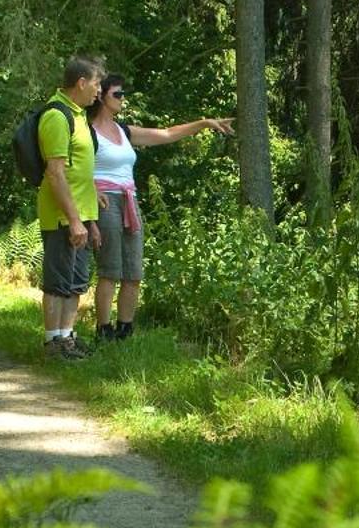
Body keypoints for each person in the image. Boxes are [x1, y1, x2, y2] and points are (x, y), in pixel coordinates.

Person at [84, 74, 232, 341]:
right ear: (102, 97)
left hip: (129, 200)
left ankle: (125, 330)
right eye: (117, 94)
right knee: (110, 270)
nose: (122, 99)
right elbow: (73, 168)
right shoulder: (87, 132)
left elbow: (165, 134)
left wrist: (204, 123)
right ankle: (103, 331)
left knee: (134, 270)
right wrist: (90, 192)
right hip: (104, 201)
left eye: (123, 94)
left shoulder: (124, 131)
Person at [37, 55, 105, 360]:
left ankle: (67, 338)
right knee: (58, 282)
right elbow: (55, 172)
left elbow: (79, 170)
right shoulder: (57, 115)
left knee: (76, 282)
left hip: (80, 214)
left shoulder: (78, 115)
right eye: (96, 83)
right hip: (62, 216)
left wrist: (89, 216)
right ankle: (53, 343)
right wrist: (74, 219)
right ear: (81, 82)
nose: (99, 90)